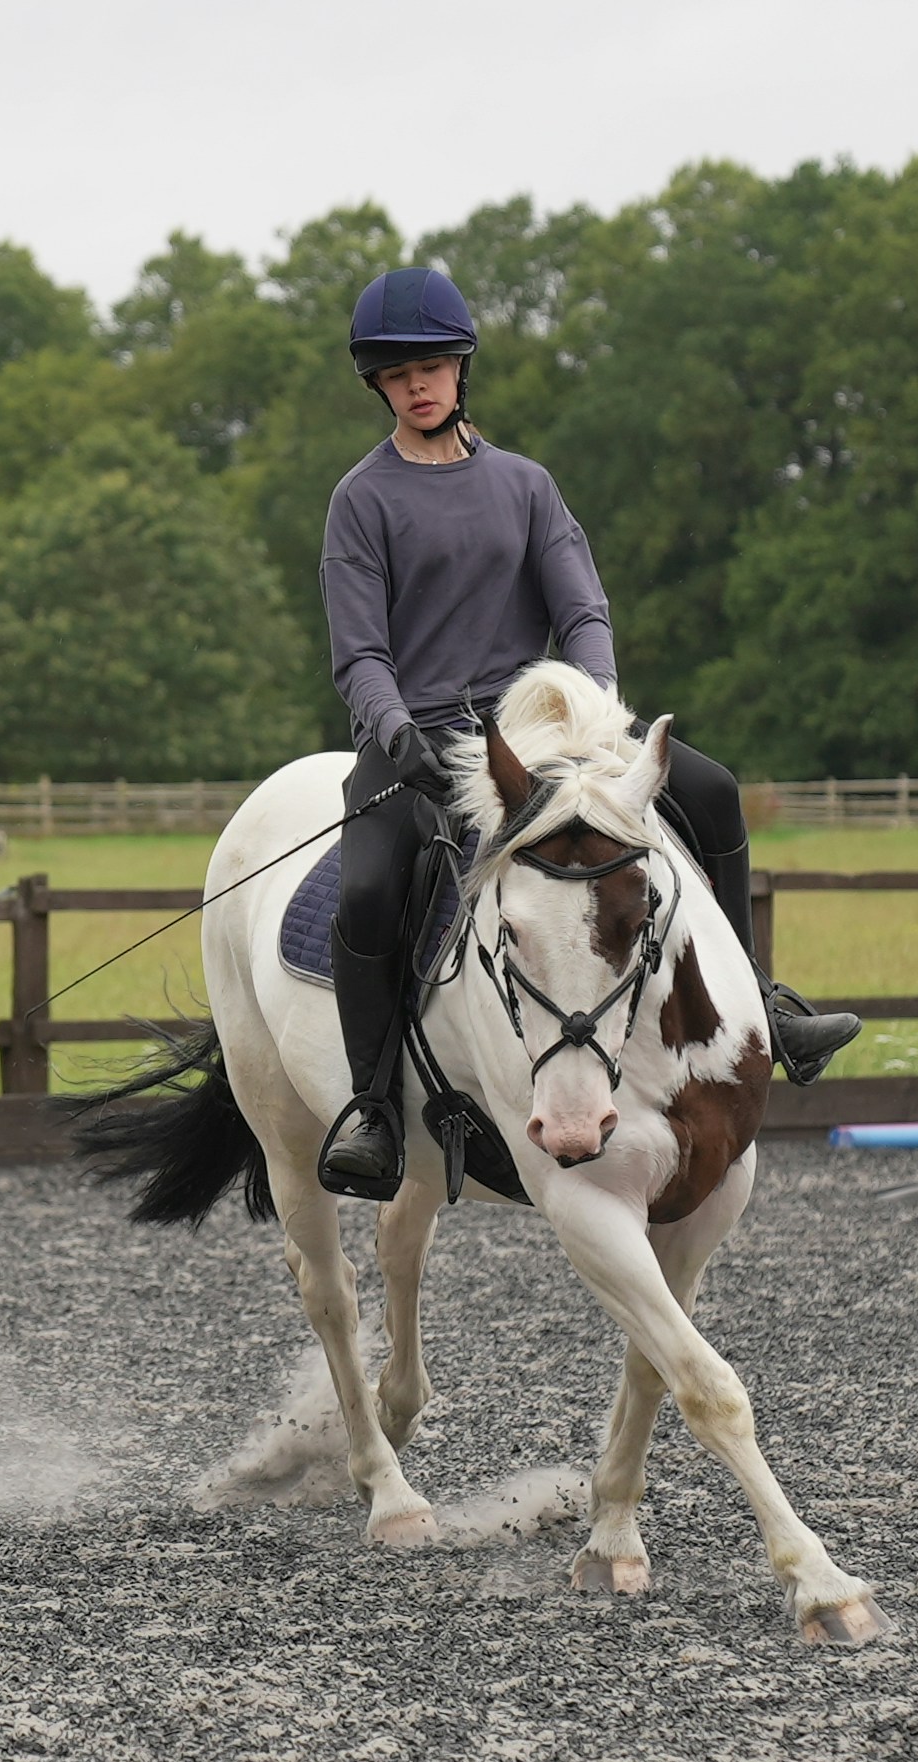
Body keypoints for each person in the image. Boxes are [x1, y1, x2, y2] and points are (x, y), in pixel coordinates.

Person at [314, 265, 859, 1199]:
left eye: (434, 364)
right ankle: (371, 1105)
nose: (419, 383)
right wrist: (394, 728)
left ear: (461, 368)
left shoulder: (526, 486)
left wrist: (598, 706)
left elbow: (585, 609)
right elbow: (359, 650)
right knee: (367, 888)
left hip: (552, 731)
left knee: (716, 792)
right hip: (420, 739)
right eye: (399, 372)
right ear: (378, 384)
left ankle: (761, 997)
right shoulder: (361, 501)